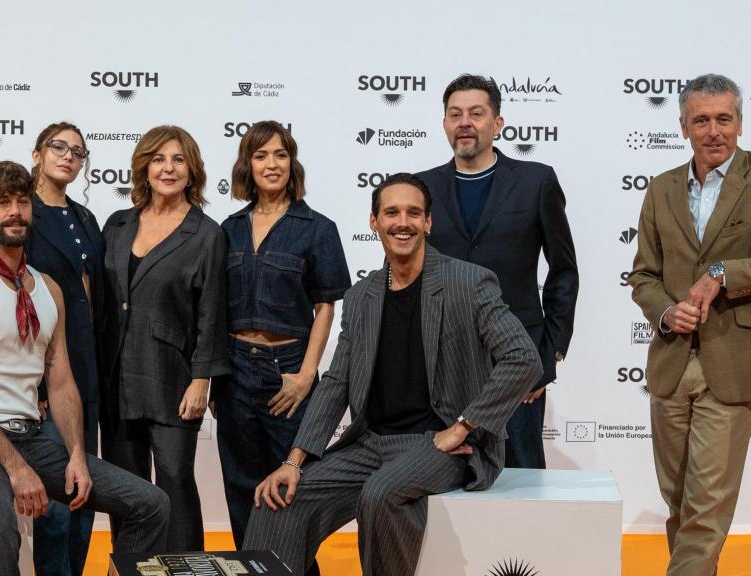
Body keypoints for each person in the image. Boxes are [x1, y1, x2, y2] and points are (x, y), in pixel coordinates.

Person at [243, 173, 541, 575]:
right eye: (392, 213)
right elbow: (336, 383)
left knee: (380, 494)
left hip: (439, 446)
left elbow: (523, 358)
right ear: (374, 222)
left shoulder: (468, 282)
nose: (403, 222)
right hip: (369, 445)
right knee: (277, 501)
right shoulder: (361, 296)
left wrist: (464, 425)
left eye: (414, 213)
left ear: (428, 223)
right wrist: (294, 462)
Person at [0, 161, 169, 575]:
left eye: (23, 201)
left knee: (151, 504)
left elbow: (60, 383)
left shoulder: (49, 289)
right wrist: (16, 468)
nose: (15, 211)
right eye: (2, 202)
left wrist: (77, 453)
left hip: (33, 437)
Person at [417, 74, 579, 469]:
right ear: (444, 125)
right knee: (443, 478)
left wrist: (548, 354)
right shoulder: (421, 188)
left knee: (520, 481)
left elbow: (563, 270)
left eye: (476, 113)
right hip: (443, 363)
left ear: (498, 123)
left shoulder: (535, 181)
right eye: (455, 114)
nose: (465, 122)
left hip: (517, 361)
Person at [629, 73, 751, 575]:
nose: (713, 130)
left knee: (706, 511)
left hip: (730, 363)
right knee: (680, 504)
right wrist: (664, 310)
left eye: (724, 118)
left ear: (740, 123)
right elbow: (643, 274)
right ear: (683, 126)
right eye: (701, 119)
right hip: (671, 365)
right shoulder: (660, 189)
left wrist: (725, 275)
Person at [215, 120, 350, 550]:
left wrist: (307, 374)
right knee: (240, 489)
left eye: (280, 154)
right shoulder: (229, 228)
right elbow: (215, 310)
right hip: (235, 371)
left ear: (292, 162)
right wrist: (218, 380)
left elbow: (326, 306)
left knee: (290, 496)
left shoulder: (317, 228)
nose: (271, 164)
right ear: (247, 165)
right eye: (260, 155)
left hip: (287, 372)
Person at [102, 125, 229, 551]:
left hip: (172, 379)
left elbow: (212, 312)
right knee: (126, 489)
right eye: (158, 159)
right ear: (144, 167)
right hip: (116, 378)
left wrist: (202, 379)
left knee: (174, 480)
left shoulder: (207, 234)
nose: (168, 168)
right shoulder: (117, 224)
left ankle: (184, 567)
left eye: (178, 160)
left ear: (192, 171)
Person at [25, 122, 105, 576]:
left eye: (78, 151)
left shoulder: (86, 217)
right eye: (59, 147)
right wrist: (32, 382)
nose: (69, 156)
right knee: (56, 496)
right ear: (37, 153)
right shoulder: (23, 213)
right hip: (45, 366)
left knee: (83, 490)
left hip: (86, 362)